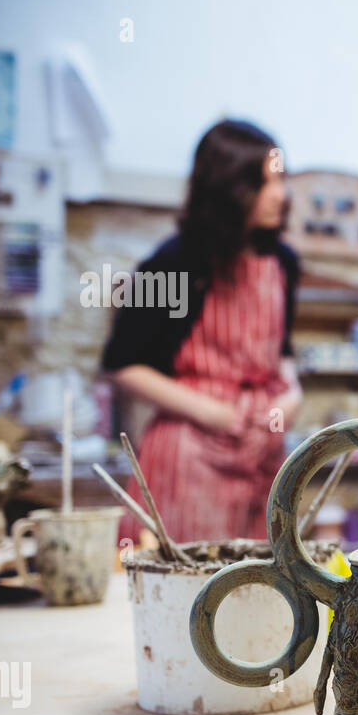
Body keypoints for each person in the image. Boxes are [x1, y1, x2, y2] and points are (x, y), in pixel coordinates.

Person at [101, 119, 302, 544]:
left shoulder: (282, 262)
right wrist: (212, 412)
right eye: (264, 183)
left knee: (258, 593)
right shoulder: (175, 263)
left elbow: (281, 350)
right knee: (181, 592)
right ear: (228, 188)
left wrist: (292, 392)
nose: (280, 195)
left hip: (261, 451)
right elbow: (122, 364)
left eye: (280, 180)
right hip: (189, 455)